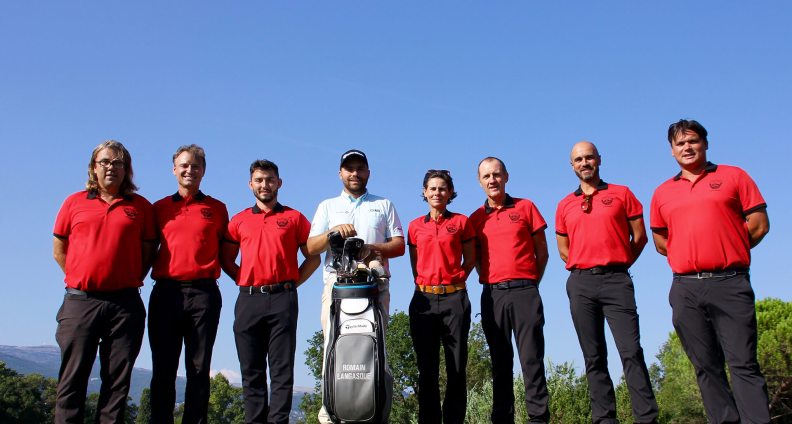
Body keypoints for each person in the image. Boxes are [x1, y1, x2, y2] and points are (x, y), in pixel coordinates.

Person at [650, 119, 771, 423]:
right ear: (672, 151)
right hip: (685, 288)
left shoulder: (734, 176)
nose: (687, 147)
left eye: (692, 141)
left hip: (730, 282)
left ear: (705, 143)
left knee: (742, 363)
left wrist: (728, 249)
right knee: (705, 366)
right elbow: (661, 242)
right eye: (680, 144)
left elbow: (758, 225)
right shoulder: (662, 192)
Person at [52, 140, 156, 423]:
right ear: (93, 167)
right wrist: (80, 273)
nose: (111, 167)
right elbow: (59, 248)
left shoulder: (140, 207)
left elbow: (148, 251)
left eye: (118, 163)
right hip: (80, 301)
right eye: (105, 162)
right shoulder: (73, 202)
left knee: (117, 385)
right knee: (72, 381)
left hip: (125, 304)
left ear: (127, 170)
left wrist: (130, 276)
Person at [555, 142, 659, 423]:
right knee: (593, 356)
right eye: (578, 159)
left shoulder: (622, 194)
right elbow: (564, 249)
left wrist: (619, 261)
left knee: (631, 351)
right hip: (580, 284)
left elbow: (639, 238)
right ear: (572, 165)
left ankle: (646, 418)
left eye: (589, 157)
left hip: (617, 281)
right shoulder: (564, 204)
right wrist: (585, 263)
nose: (584, 162)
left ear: (599, 160)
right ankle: (604, 418)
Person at [306, 149, 405, 424]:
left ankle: (375, 410)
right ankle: (330, 413)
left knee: (377, 346)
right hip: (337, 286)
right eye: (349, 169)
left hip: (375, 285)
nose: (355, 173)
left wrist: (371, 249)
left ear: (368, 172)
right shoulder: (327, 206)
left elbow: (399, 244)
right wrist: (333, 232)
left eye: (360, 168)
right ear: (340, 173)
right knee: (332, 345)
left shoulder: (383, 204)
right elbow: (311, 247)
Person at [220, 159, 320, 424]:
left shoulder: (294, 218)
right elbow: (226, 259)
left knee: (281, 371)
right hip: (248, 299)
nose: (265, 185)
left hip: (283, 299)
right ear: (251, 184)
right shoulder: (238, 220)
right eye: (259, 180)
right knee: (250, 370)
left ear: (279, 183)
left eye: (270, 180)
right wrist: (243, 278)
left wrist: (292, 284)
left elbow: (313, 258)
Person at [148, 145, 229, 424]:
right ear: (174, 169)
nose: (189, 170)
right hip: (166, 293)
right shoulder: (158, 208)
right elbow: (147, 250)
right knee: (163, 368)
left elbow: (225, 251)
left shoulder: (217, 209)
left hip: (203, 293)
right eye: (184, 165)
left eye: (195, 166)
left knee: (198, 368)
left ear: (203, 171)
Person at [470, 157, 550, 423]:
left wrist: (529, 283)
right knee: (500, 363)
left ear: (506, 176)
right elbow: (476, 258)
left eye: (496, 174)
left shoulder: (526, 207)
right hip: (492, 295)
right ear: (480, 182)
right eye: (486, 176)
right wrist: (491, 279)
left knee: (532, 360)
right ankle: (502, 418)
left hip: (525, 291)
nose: (492, 180)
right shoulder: (475, 219)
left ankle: (538, 418)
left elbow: (542, 252)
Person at [407, 169, 476, 424]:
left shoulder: (462, 222)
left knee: (456, 367)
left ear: (450, 193)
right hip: (423, 301)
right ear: (424, 192)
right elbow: (416, 267)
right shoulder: (415, 226)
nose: (437, 192)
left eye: (442, 188)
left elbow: (469, 260)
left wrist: (454, 279)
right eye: (432, 188)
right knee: (427, 369)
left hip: (455, 300)